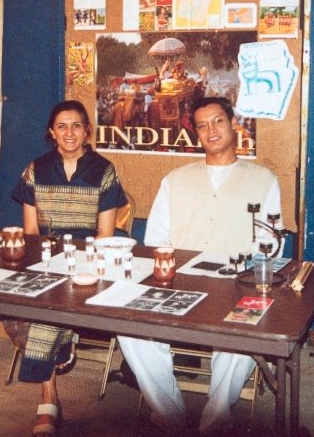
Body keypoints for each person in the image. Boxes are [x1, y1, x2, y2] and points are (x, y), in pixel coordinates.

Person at [118, 96, 283, 436]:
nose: (212, 130)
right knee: (129, 328)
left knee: (244, 335)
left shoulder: (263, 179)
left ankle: (215, 421)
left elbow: (269, 244)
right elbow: (157, 239)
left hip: (237, 284)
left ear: (233, 123)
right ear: (195, 132)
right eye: (203, 125)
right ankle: (170, 414)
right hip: (181, 283)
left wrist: (243, 273)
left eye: (218, 121)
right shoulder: (175, 179)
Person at [4, 100, 127, 437]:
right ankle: (62, 346)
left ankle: (48, 400)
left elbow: (105, 234)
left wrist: (74, 263)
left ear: (87, 130)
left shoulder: (104, 170)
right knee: (10, 301)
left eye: (76, 125)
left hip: (88, 260)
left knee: (45, 310)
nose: (69, 133)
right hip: (45, 257)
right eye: (61, 126)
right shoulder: (35, 169)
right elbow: (30, 233)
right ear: (51, 132)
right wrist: (47, 261)